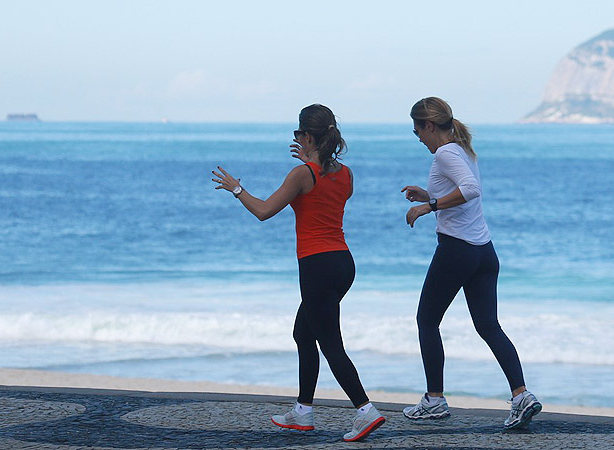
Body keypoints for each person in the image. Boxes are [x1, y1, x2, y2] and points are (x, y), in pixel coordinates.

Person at [211, 104, 385, 442]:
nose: (297, 139)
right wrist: (311, 160)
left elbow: (263, 210)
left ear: (307, 136)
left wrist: (236, 188)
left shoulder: (301, 175)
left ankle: (365, 411)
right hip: (342, 263)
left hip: (317, 265)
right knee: (304, 334)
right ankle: (302, 411)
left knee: (330, 343)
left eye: (298, 134)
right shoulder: (345, 174)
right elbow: (324, 191)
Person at [400, 97, 542, 430]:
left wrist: (430, 205)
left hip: (457, 250)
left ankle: (434, 400)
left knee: (426, 320)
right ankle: (521, 396)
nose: (418, 137)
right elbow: (461, 191)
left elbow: (471, 189)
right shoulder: (461, 150)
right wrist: (427, 195)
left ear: (429, 126)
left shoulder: (446, 152)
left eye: (417, 129)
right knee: (488, 325)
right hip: (483, 252)